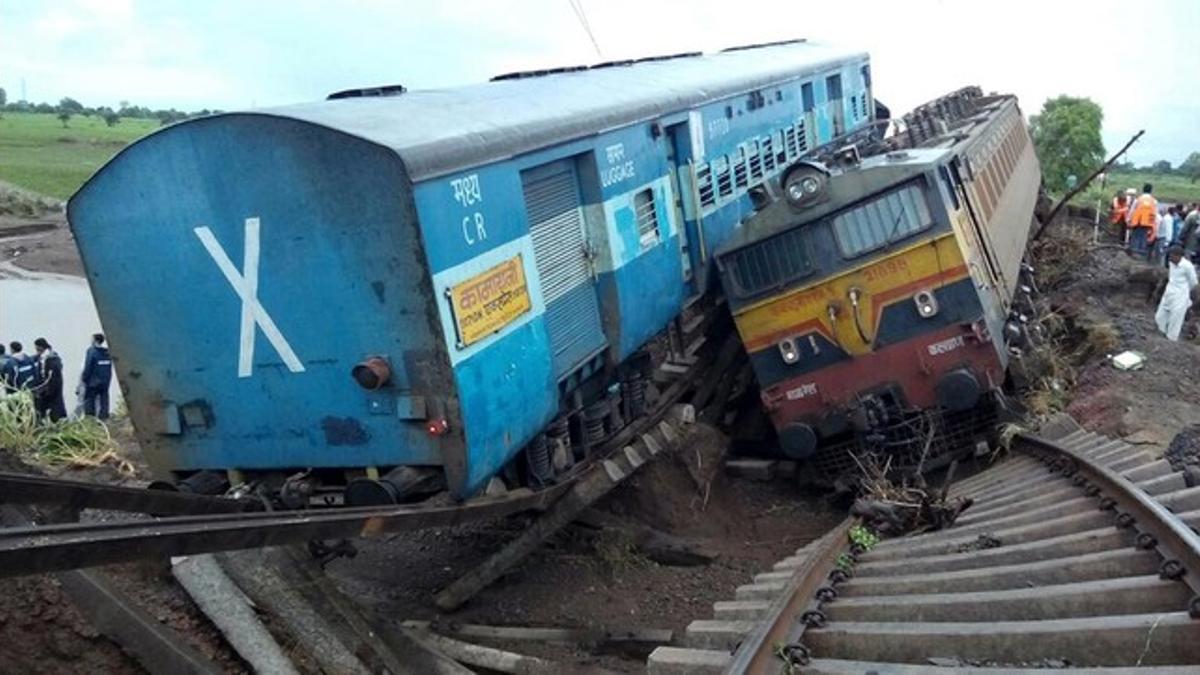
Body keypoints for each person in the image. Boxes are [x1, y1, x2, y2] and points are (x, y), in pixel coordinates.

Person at [1155, 246, 1199, 341]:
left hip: (1180, 295)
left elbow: (1193, 282)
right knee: (1160, 316)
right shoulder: (1171, 263)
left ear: (1179, 256)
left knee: (1175, 318)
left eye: (1172, 256)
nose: (1170, 258)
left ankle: (1171, 339)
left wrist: (1186, 292)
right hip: (1169, 292)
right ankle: (1160, 335)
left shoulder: (1187, 266)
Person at [32, 338, 67, 421]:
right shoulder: (50, 355)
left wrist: (47, 388)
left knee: (53, 405)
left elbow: (49, 376)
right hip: (52, 385)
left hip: (52, 386)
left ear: (40, 347)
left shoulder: (50, 358)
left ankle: (55, 421)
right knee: (52, 404)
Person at [81, 333, 114, 419]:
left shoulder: (91, 351)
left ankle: (90, 418)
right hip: (105, 380)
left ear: (95, 340)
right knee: (104, 399)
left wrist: (84, 379)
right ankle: (104, 417)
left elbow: (88, 366)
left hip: (93, 381)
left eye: (91, 339)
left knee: (89, 399)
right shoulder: (107, 352)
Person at [1128, 184, 1158, 258]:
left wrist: (1128, 219)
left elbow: (1132, 210)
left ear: (1143, 190)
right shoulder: (1153, 201)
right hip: (1147, 223)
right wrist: (1154, 226)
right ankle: (1141, 255)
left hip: (1137, 222)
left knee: (1135, 238)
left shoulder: (1138, 199)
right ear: (1151, 191)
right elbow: (1155, 214)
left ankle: (1134, 254)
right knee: (1143, 238)